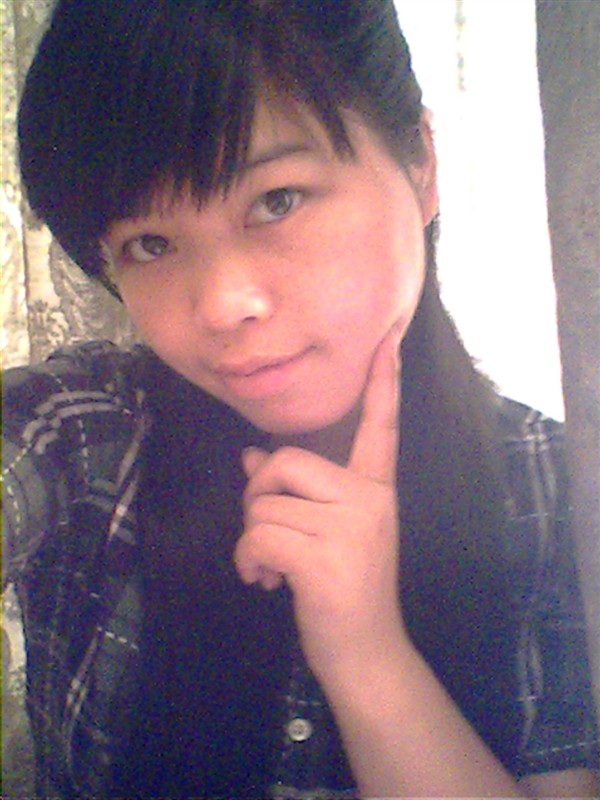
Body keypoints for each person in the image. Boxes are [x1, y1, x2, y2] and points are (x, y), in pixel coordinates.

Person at [3, 1, 599, 797]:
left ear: (421, 165)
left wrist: (367, 653)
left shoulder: (561, 490)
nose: (223, 305)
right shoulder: (84, 435)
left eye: (277, 199)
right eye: (150, 243)